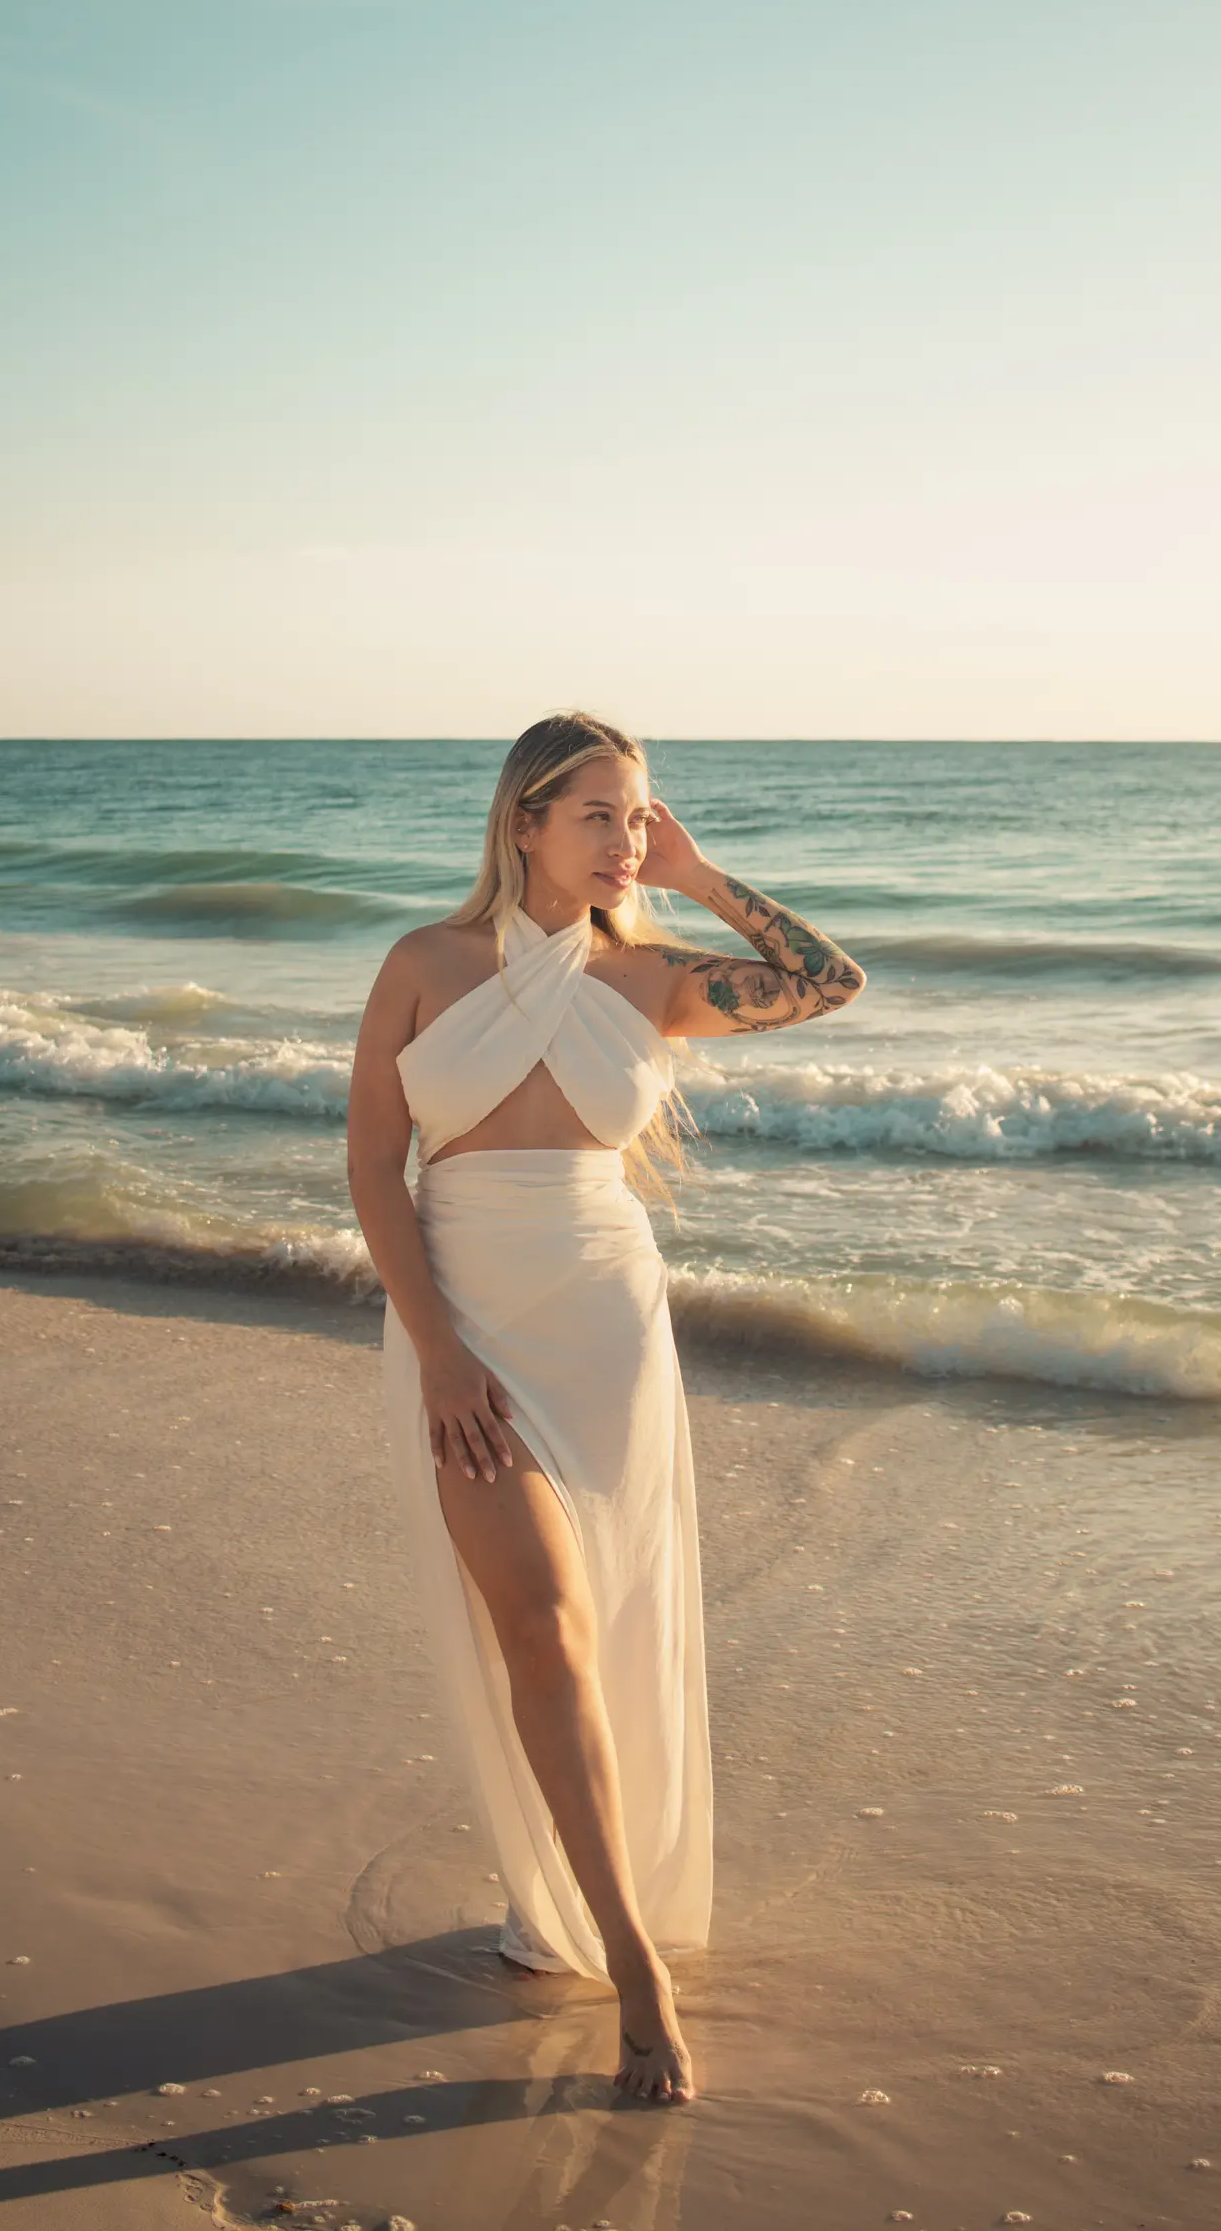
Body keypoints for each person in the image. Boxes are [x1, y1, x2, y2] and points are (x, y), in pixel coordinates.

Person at [346, 712, 866, 2104]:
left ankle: (592, 1917)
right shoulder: (422, 965)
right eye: (599, 814)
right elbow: (372, 1169)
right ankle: (634, 1970)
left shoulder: (651, 980)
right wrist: (440, 1349)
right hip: (463, 1322)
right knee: (545, 1625)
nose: (625, 838)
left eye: (639, 816)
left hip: (607, 1324)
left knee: (603, 1622)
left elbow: (831, 979)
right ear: (523, 821)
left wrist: (695, 877)